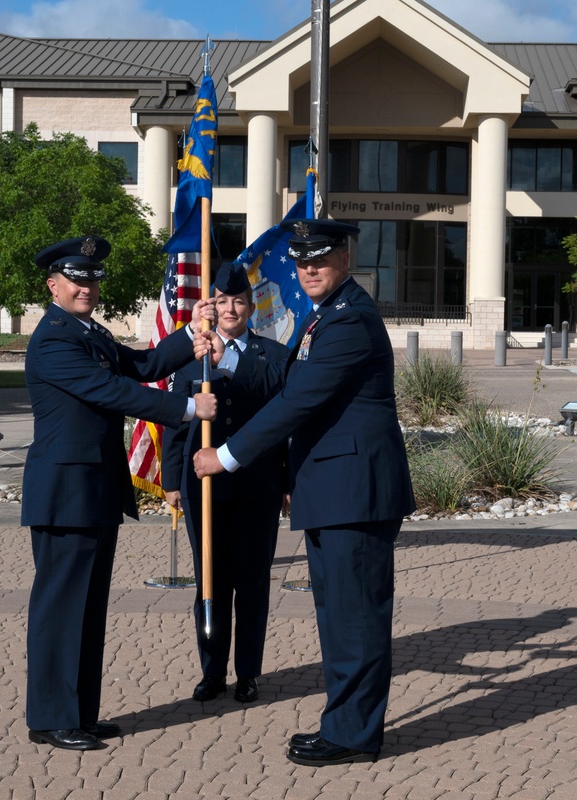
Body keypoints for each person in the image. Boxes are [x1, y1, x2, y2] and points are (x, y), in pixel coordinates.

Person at [192, 219, 415, 767]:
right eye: (301, 261)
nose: (308, 269)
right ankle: (345, 723)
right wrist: (219, 352)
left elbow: (297, 404)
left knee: (355, 618)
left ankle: (354, 734)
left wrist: (223, 457)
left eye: (320, 258)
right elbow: (288, 388)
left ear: (344, 258)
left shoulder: (349, 321)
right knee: (339, 616)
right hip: (335, 491)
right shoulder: (325, 316)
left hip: (354, 494)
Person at [21, 234, 218, 751]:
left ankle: (79, 713)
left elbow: (141, 366)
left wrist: (189, 333)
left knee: (87, 609)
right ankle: (50, 718)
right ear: (53, 284)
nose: (87, 286)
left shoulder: (89, 332)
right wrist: (186, 410)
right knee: (61, 609)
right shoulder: (55, 339)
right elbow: (112, 390)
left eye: (92, 278)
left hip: (94, 490)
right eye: (76, 278)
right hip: (65, 492)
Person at [161, 262, 288, 704]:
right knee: (210, 580)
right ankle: (212, 671)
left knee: (252, 581)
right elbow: (176, 419)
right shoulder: (192, 354)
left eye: (238, 301)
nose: (229, 308)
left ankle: (248, 673)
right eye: (221, 300)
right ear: (209, 305)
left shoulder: (272, 354)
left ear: (251, 307)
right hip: (203, 487)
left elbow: (283, 412)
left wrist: (287, 480)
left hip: (257, 485)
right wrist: (172, 479)